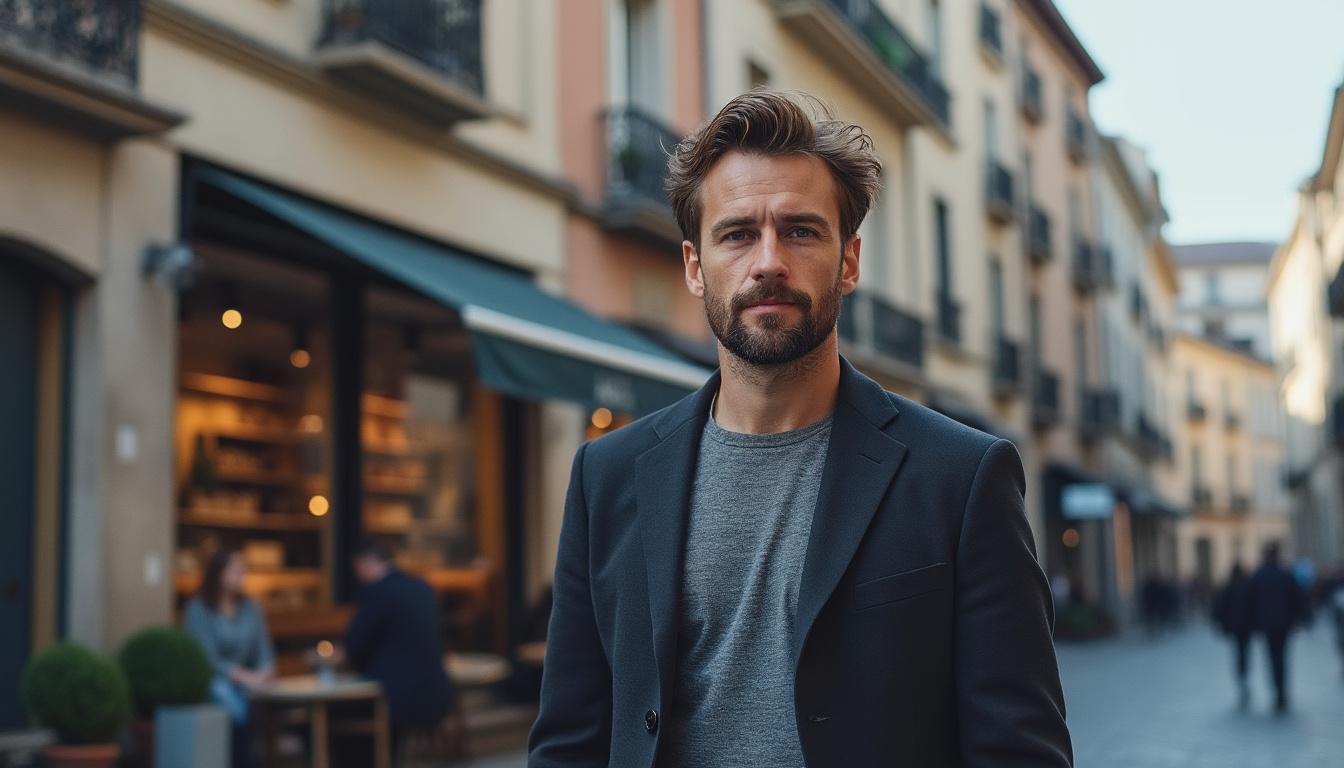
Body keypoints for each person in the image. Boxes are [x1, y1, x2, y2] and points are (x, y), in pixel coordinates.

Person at [529, 90, 1071, 767]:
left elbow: (1017, 750)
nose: (768, 262)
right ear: (696, 267)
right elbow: (570, 739)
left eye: (801, 230)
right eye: (736, 234)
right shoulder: (605, 477)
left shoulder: (961, 477)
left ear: (849, 262)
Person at [344, 540, 456, 748]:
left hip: (393, 702)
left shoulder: (377, 592)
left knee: (336, 718)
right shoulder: (423, 588)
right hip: (436, 695)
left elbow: (354, 646)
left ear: (364, 563)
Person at [183, 547, 276, 768]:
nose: (241, 576)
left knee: (252, 698)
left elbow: (264, 649)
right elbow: (207, 659)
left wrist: (264, 672)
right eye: (235, 571)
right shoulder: (198, 609)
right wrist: (246, 677)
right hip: (216, 680)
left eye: (243, 571)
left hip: (249, 682)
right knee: (229, 697)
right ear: (218, 574)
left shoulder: (251, 608)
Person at [1248, 542, 1311, 713]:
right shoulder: (1286, 575)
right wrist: (1302, 619)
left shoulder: (1258, 576)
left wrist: (1253, 625)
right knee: (1282, 657)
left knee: (1272, 657)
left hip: (1267, 624)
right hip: (1284, 624)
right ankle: (1282, 692)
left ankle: (1277, 691)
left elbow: (1250, 603)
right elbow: (1298, 600)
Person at [1212, 562, 1253, 706]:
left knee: (1239, 653)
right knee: (1244, 653)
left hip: (1235, 627)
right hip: (1246, 627)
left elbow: (1219, 608)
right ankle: (1244, 675)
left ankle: (1242, 677)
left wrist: (1221, 624)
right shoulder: (1247, 586)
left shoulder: (1228, 587)